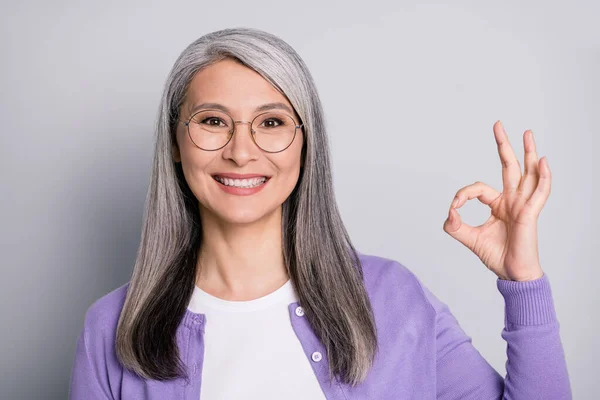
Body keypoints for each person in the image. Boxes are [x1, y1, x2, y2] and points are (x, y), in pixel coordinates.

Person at [68, 27, 572, 399]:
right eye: (213, 120)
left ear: (306, 147)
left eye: (271, 122)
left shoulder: (395, 301)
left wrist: (522, 280)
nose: (241, 152)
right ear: (176, 143)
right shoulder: (112, 327)